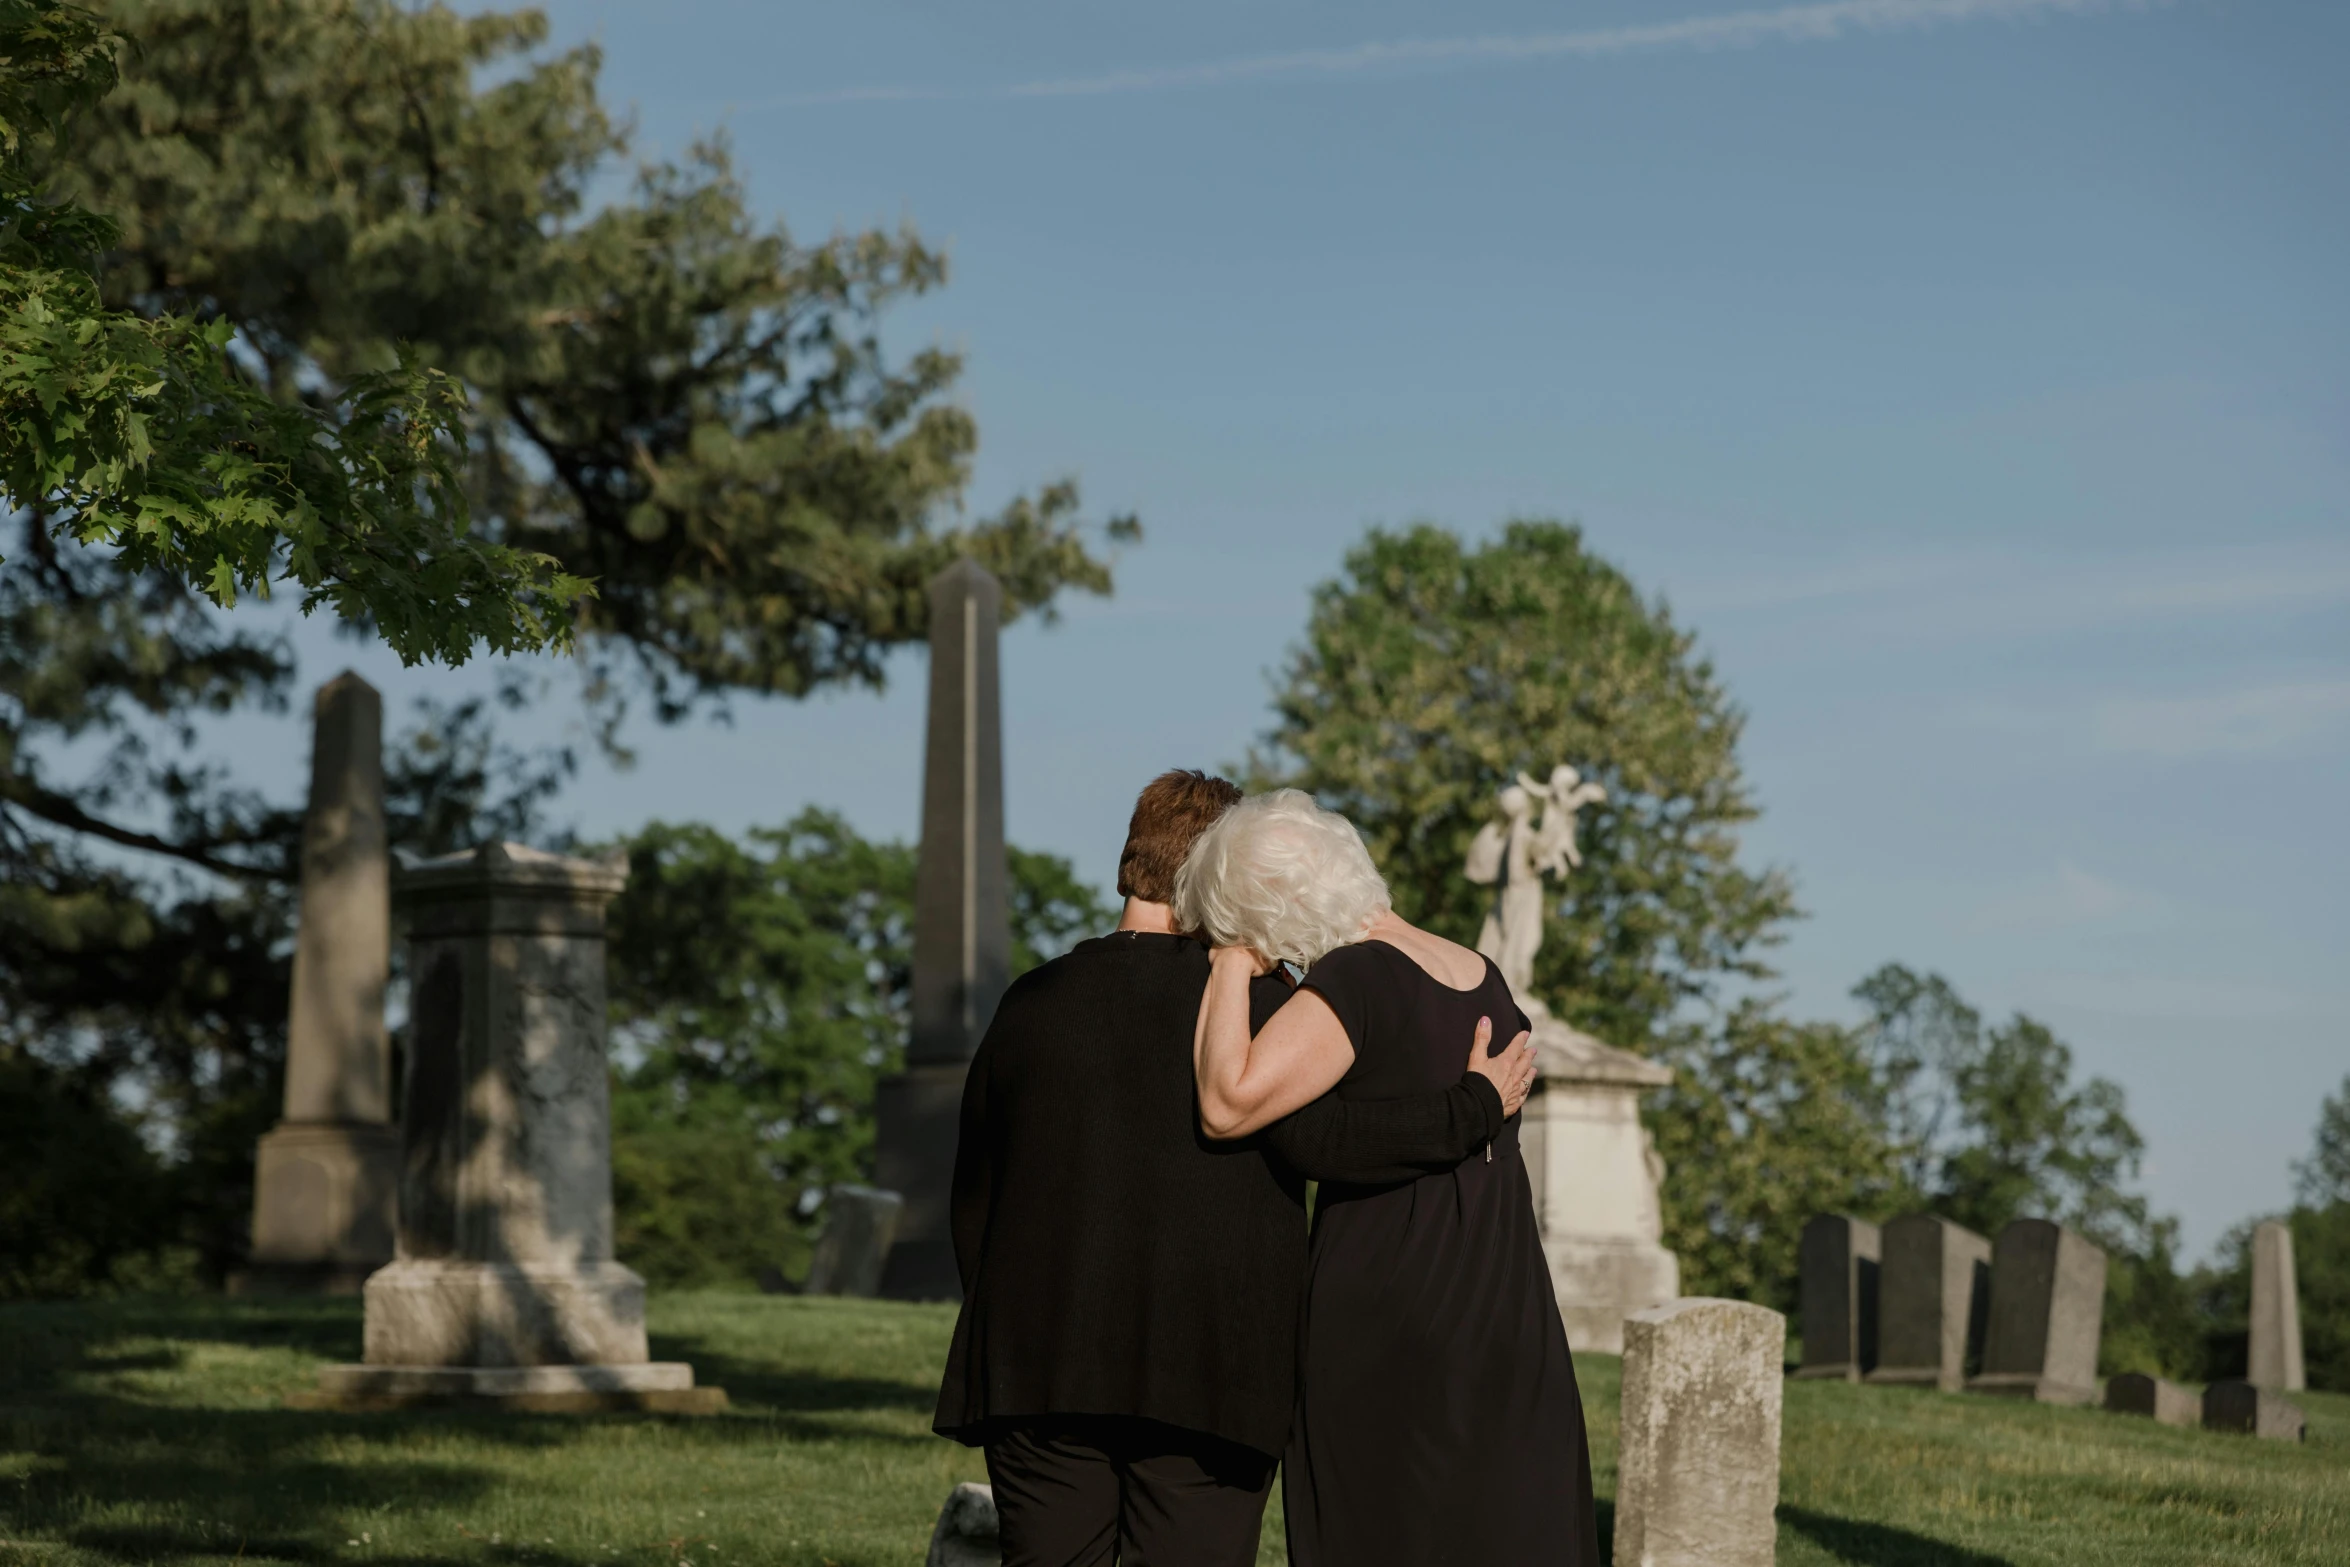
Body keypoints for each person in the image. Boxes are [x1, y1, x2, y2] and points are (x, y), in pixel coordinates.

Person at [934, 770, 1538, 1567]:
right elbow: (1329, 1142)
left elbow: (973, 1193)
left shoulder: (1030, 1000)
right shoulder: (1264, 1010)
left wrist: (1004, 1320)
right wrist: (1470, 1107)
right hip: (1211, 1374)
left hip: (1036, 1365)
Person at [1176, 788, 1600, 1567]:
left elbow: (1227, 1103)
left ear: (1273, 907)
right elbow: (1332, 1136)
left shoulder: (1358, 978)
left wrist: (1233, 961)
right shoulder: (1487, 979)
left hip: (1394, 1324)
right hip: (1510, 1318)